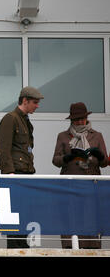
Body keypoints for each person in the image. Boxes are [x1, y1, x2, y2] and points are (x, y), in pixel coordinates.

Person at [52, 102, 108, 249]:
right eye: (77, 119)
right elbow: (55, 160)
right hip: (70, 185)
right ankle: (70, 249)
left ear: (86, 118)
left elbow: (104, 163)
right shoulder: (63, 136)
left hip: (91, 185)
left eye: (82, 118)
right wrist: (67, 158)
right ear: (71, 120)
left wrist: (99, 155)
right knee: (71, 219)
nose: (80, 121)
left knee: (91, 218)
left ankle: (92, 250)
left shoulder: (96, 135)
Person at [0, 86, 44, 248]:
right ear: (25, 101)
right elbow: (3, 148)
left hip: (26, 174)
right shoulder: (10, 118)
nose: (37, 106)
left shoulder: (25, 120)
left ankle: (22, 249)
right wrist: (9, 172)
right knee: (15, 218)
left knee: (25, 216)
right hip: (15, 175)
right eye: (35, 102)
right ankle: (16, 250)